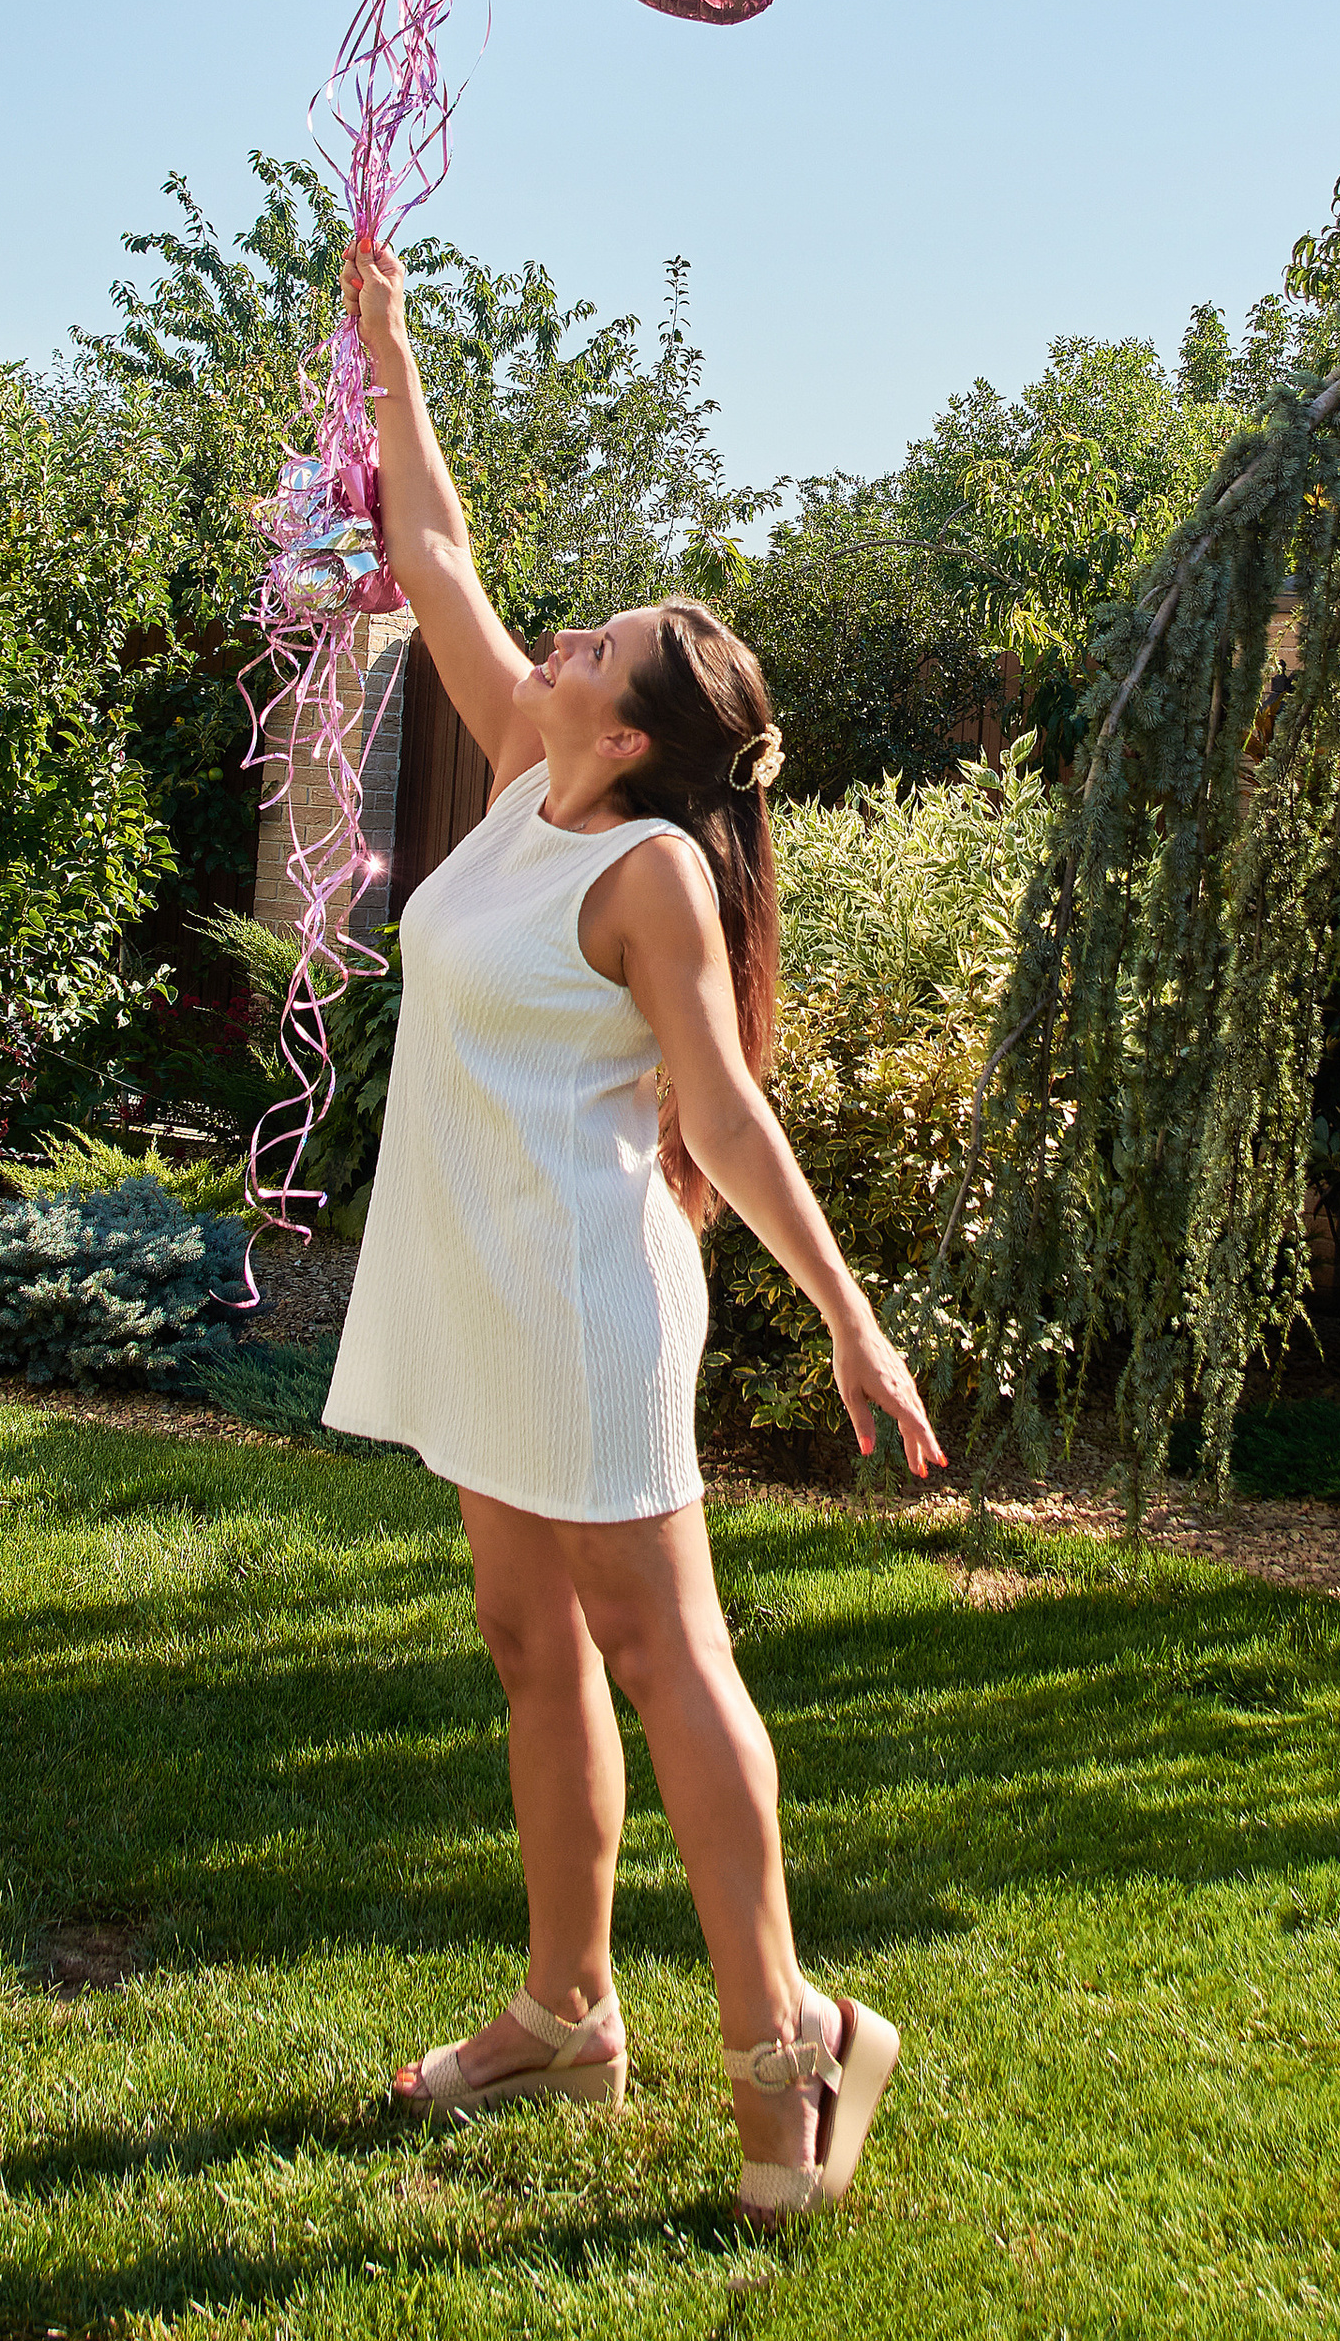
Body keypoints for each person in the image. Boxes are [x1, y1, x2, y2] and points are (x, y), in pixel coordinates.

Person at [321, 233, 944, 2225]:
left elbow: (721, 1112)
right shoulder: (524, 777)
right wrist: (385, 340)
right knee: (526, 1645)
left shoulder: (654, 869)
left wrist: (851, 1324)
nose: (558, 640)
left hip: (587, 1292)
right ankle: (571, 2013)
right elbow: (431, 545)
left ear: (646, 721)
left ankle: (795, 2050)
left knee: (664, 1655)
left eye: (595, 644)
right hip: (477, 1278)